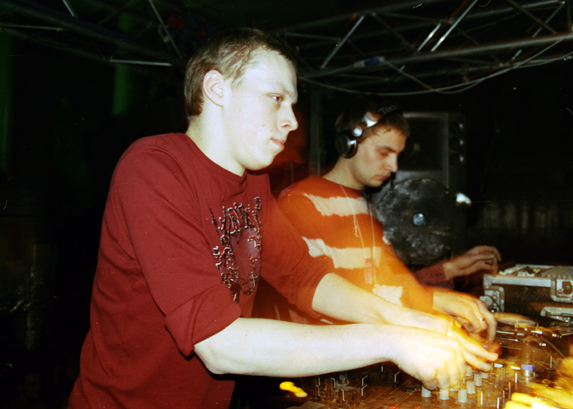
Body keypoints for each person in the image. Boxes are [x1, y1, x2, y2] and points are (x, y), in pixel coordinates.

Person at [66, 28, 498, 409]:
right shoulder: (154, 168)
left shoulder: (253, 182)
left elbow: (305, 278)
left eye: (292, 104)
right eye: (276, 99)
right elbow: (218, 343)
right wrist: (392, 341)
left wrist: (402, 318)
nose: (291, 121)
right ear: (216, 88)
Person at [278, 97, 501, 332]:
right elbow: (326, 298)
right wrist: (432, 299)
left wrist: (449, 269)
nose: (394, 167)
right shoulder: (303, 204)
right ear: (349, 145)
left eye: (398, 156)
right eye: (384, 153)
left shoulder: (366, 207)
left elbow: (388, 284)